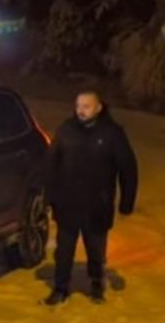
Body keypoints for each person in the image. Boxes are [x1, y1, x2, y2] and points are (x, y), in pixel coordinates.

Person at [42, 90, 138, 305]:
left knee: (95, 249)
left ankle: (96, 283)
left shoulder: (112, 133)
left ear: (98, 107)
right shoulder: (67, 130)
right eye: (78, 106)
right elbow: (51, 164)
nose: (81, 111)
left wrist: (126, 203)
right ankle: (60, 288)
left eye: (86, 106)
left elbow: (128, 169)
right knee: (64, 250)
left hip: (97, 204)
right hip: (68, 203)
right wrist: (49, 197)